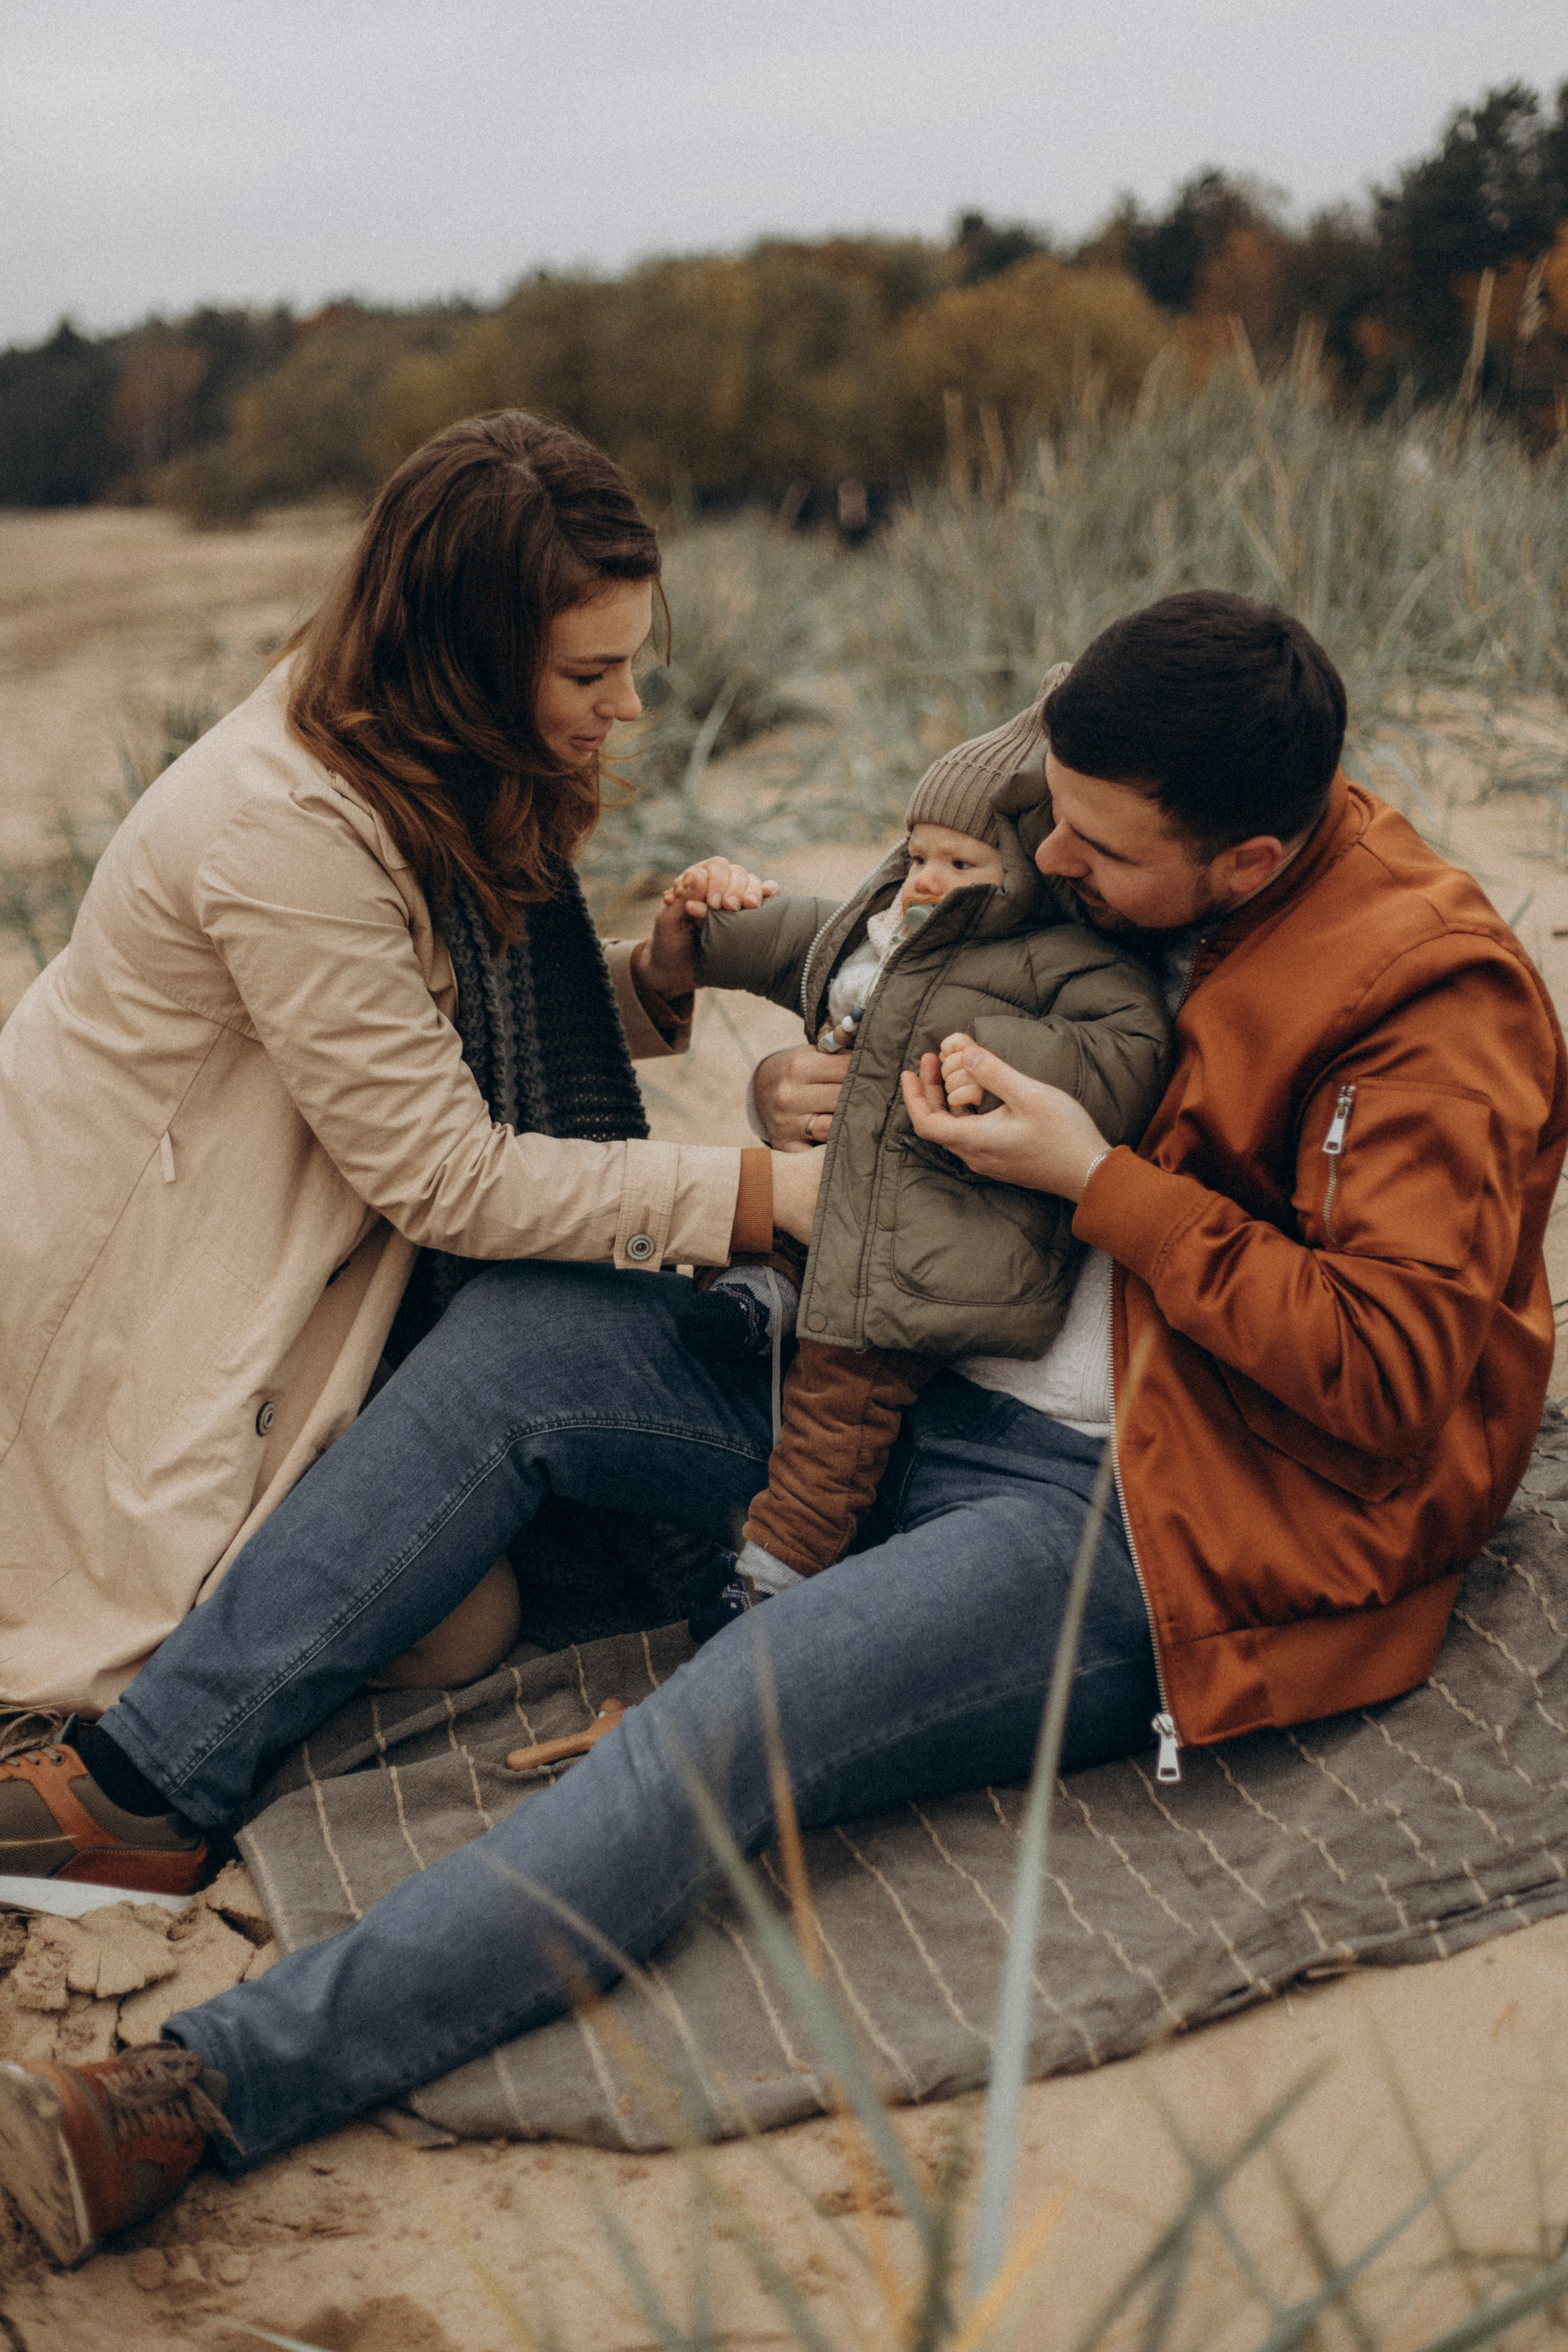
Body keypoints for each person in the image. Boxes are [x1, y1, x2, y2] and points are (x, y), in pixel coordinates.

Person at [2, 591, 1563, 2271]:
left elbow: (1395, 1373)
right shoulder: (1088, 817)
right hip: (898, 1363)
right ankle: (143, 1793)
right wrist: (809, 1106)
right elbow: (912, 982)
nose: (1061, 860)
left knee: (742, 1705)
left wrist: (1092, 1183)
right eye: (1056, 812)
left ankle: (205, 2091)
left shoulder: (1429, 1000)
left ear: (1249, 864)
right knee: (539, 1342)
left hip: (1145, 1510)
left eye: (1103, 853)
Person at [0, 406, 813, 1789]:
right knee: (458, 1624)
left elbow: (430, 1022)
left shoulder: (421, 752)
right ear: (472, 658)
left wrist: (655, 978)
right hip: (149, 1288)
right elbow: (444, 1172)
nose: (626, 708)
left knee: (470, 1572)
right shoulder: (286, 824)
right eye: (591, 672)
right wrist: (757, 1194)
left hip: (291, 1223)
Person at [649, 698, 1168, 1601]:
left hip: (922, 1257)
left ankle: (771, 1573)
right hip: (838, 1203)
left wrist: (988, 1049)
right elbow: (795, 935)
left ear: (1033, 873)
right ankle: (755, 1300)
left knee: (838, 1413)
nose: (925, 879)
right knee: (758, 1228)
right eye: (916, 855)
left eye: (961, 863)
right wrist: (712, 916)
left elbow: (1124, 1052)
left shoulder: (1066, 963)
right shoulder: (890, 933)